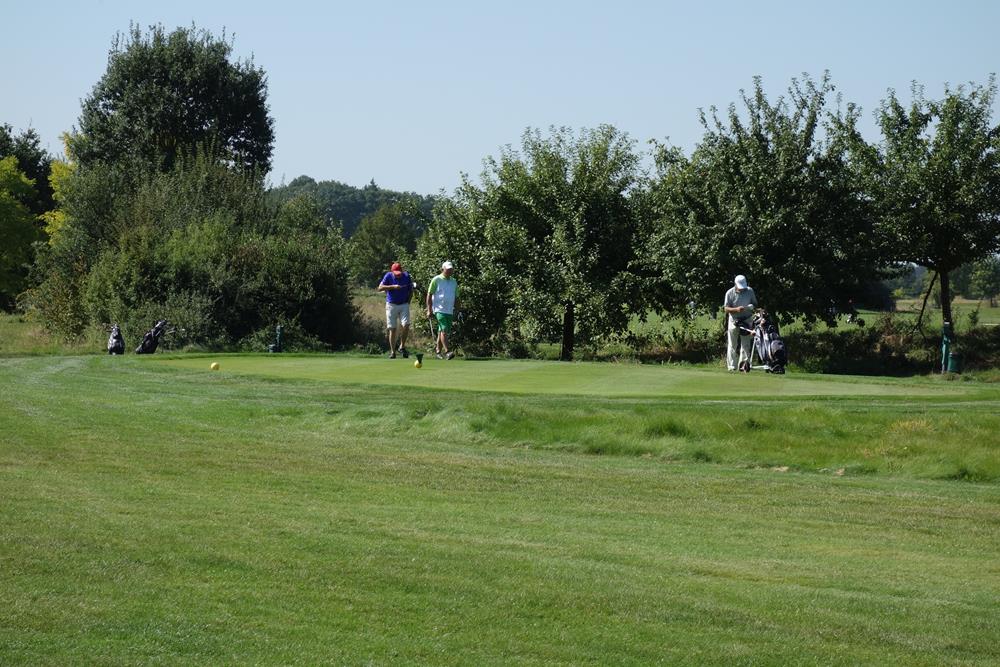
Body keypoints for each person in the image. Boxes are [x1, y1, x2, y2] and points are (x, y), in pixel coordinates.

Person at [378, 262, 414, 358]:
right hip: (391, 305)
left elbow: (411, 291)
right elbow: (380, 288)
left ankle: (402, 346)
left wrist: (408, 302)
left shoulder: (406, 276)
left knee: (406, 325)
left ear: (402, 271)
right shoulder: (388, 276)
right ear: (392, 271)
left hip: (404, 304)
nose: (398, 275)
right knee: (392, 329)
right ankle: (393, 352)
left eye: (399, 273)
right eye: (396, 274)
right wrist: (393, 286)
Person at [723, 274, 758, 372]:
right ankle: (732, 367)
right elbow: (726, 309)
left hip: (747, 320)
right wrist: (736, 309)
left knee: (745, 344)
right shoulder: (729, 293)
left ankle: (743, 366)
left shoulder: (750, 291)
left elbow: (755, 304)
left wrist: (751, 307)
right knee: (732, 344)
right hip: (734, 320)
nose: (742, 288)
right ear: (735, 284)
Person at [426, 260, 459, 360]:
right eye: (447, 269)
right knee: (444, 330)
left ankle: (438, 351)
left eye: (451, 269)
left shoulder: (453, 281)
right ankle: (447, 351)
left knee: (442, 331)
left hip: (449, 310)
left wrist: (458, 309)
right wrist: (429, 309)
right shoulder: (436, 279)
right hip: (439, 309)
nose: (449, 271)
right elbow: (429, 295)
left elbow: (456, 297)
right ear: (442, 269)